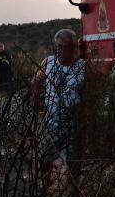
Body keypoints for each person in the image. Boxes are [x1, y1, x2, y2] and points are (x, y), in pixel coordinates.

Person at [36, 28, 85, 163]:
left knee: (73, 163)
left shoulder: (82, 66)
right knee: (44, 161)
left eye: (66, 47)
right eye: (59, 47)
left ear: (73, 48)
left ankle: (70, 184)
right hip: (50, 124)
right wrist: (40, 107)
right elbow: (35, 83)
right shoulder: (48, 62)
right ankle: (46, 183)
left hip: (72, 126)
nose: (61, 51)